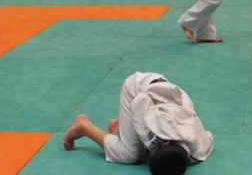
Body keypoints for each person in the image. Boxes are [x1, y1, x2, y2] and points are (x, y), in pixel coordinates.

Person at [63, 72, 214, 173]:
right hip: (137, 90)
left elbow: (208, 137)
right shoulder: (156, 130)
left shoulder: (198, 148)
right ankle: (83, 127)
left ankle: (119, 129)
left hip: (163, 94)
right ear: (163, 144)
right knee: (130, 156)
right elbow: (139, 102)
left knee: (139, 150)